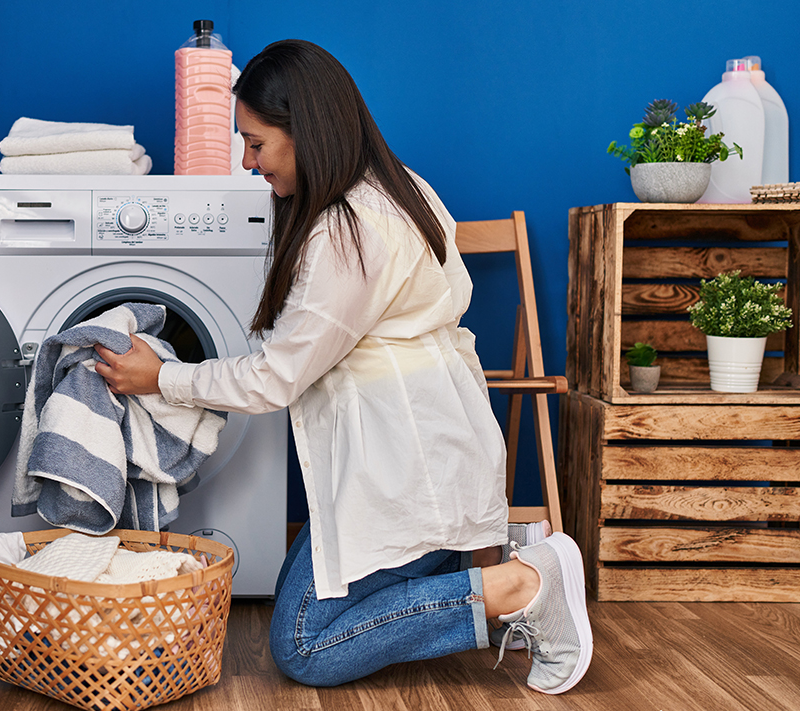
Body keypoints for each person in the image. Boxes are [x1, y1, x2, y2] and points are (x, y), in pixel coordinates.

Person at [94, 39, 592, 694]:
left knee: (304, 643)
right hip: (438, 448)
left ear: (305, 131)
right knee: (320, 598)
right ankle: (506, 544)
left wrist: (162, 376)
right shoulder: (397, 184)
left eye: (257, 143)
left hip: (406, 468)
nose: (248, 161)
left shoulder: (346, 232)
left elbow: (276, 376)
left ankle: (521, 581)